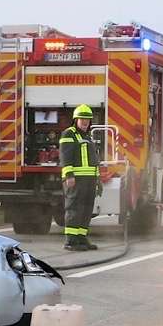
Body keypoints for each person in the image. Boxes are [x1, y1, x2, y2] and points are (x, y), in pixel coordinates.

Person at [59, 105, 100, 251]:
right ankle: (70, 241)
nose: (85, 122)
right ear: (75, 120)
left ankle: (81, 238)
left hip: (89, 180)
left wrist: (98, 181)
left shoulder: (87, 136)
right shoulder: (69, 134)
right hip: (76, 180)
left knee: (86, 209)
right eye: (82, 119)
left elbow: (93, 160)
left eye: (87, 119)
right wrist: (69, 176)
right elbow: (65, 156)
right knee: (74, 208)